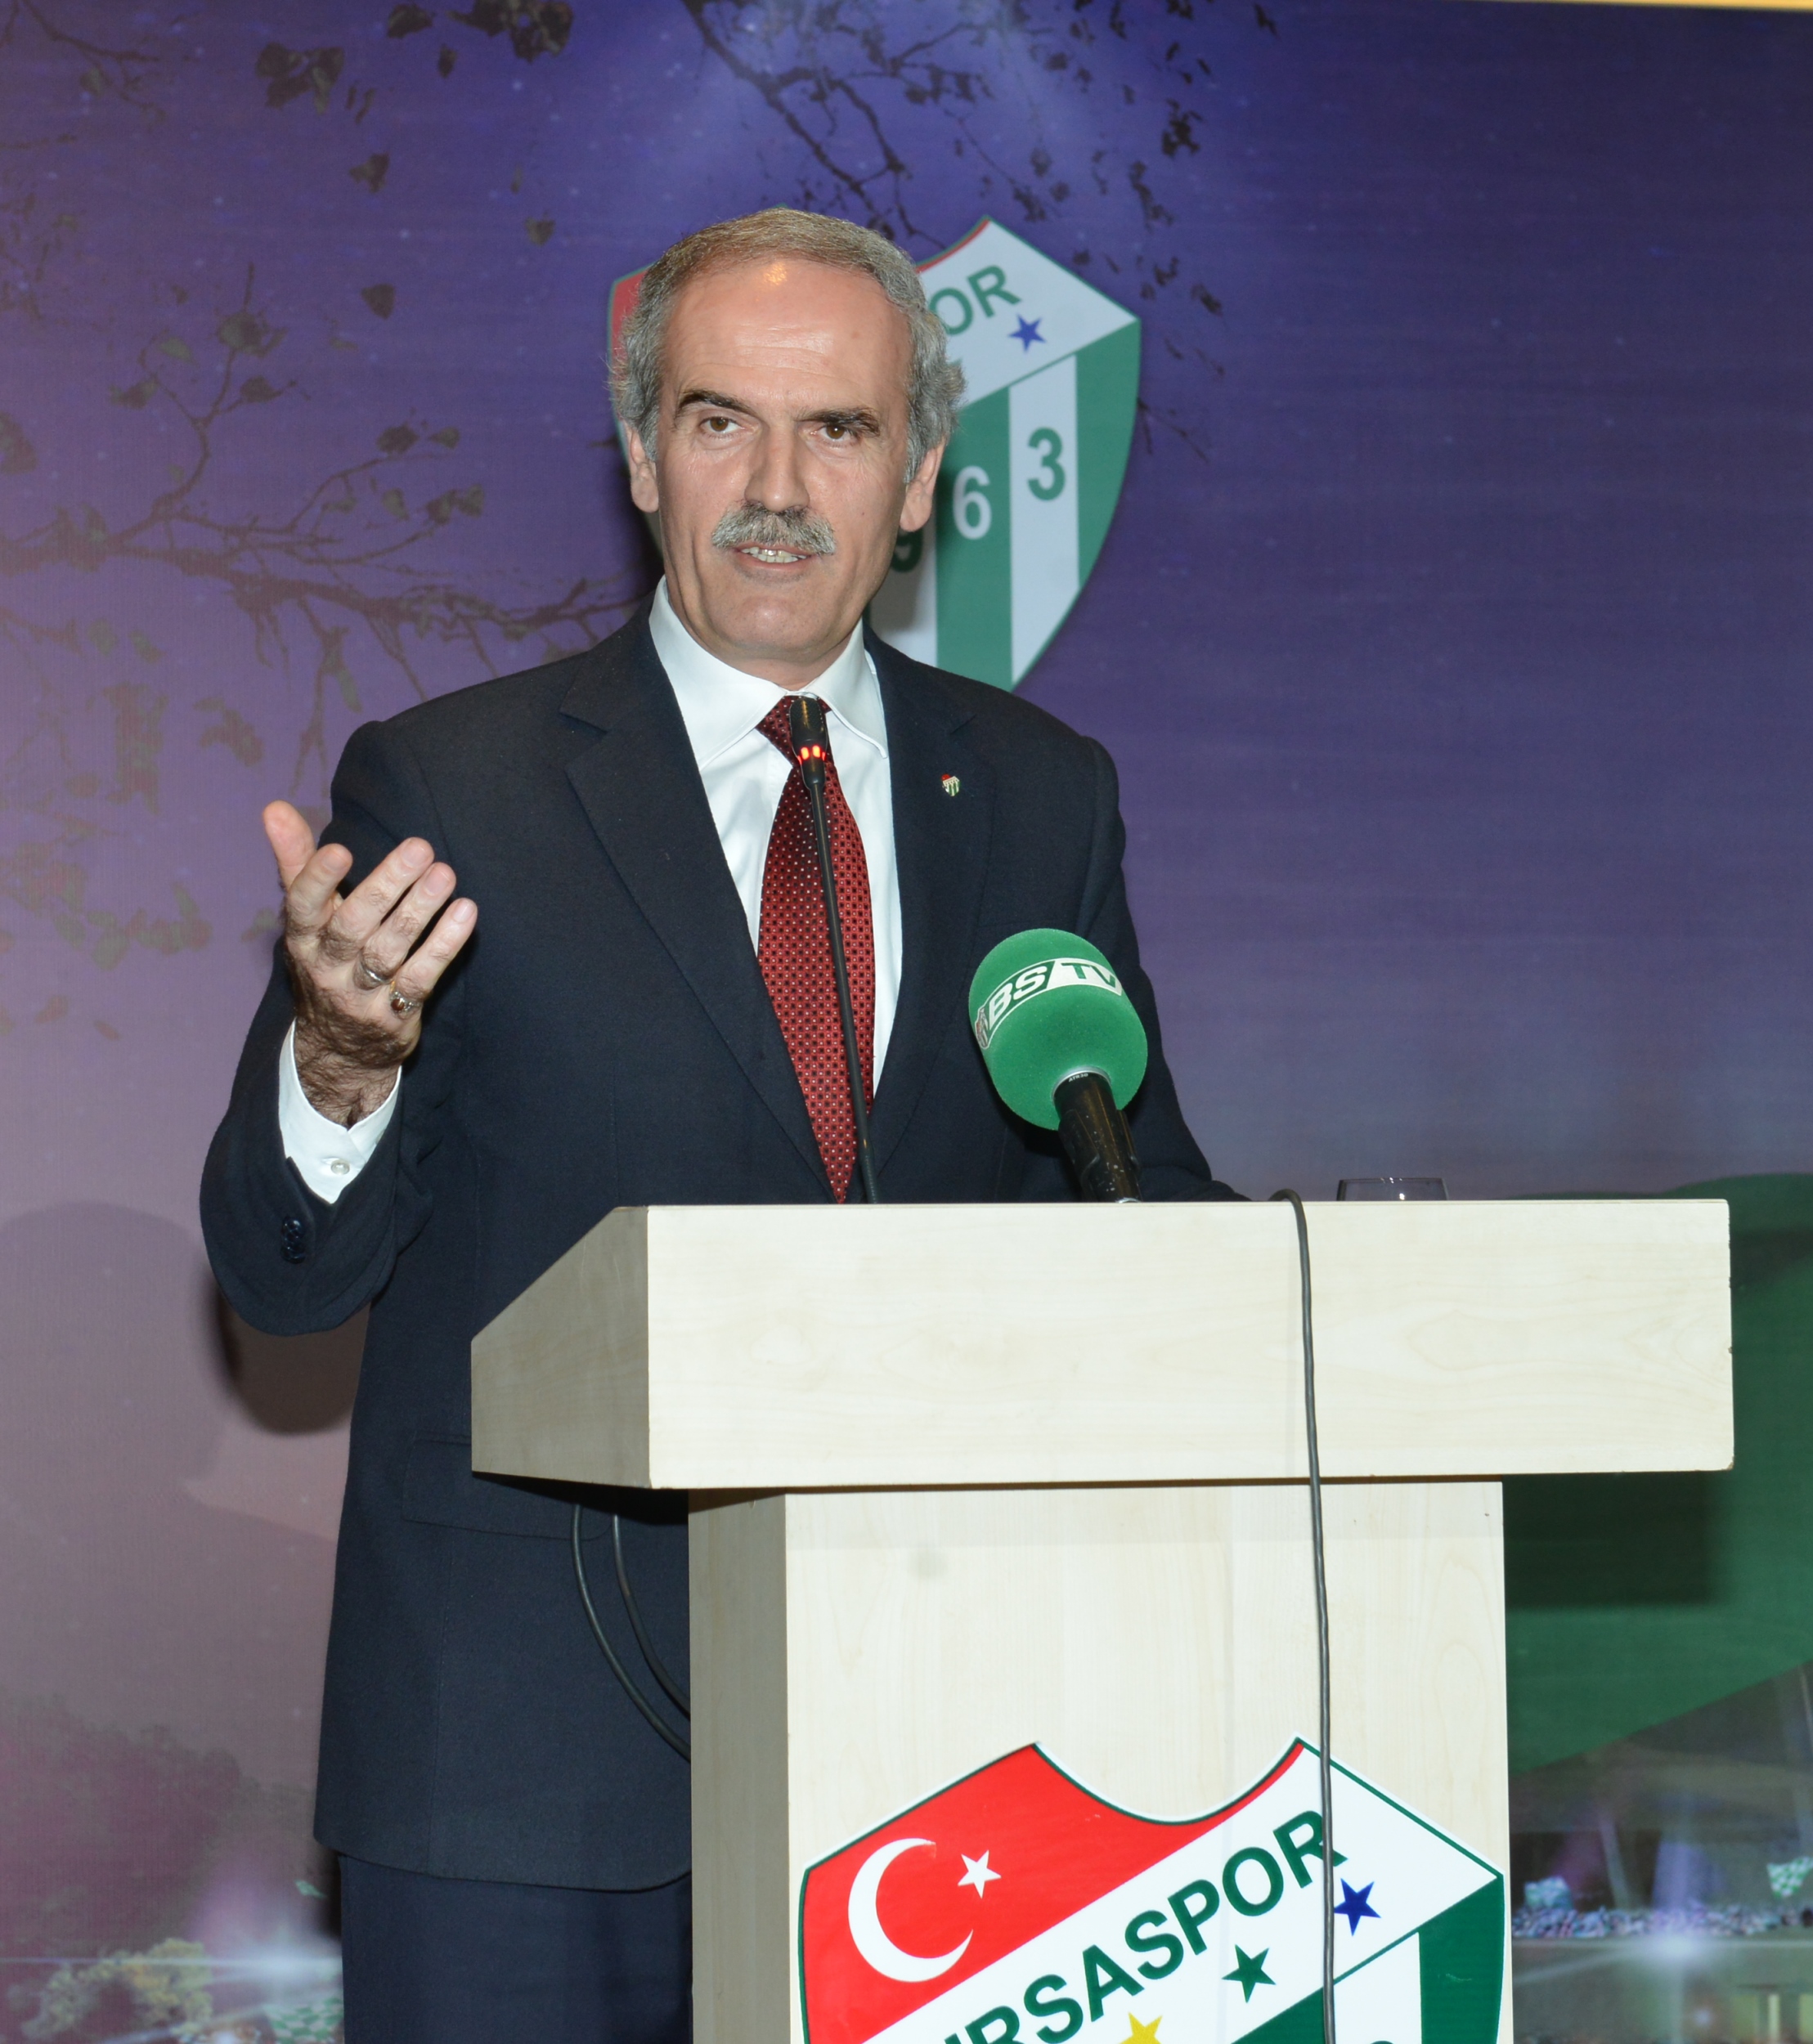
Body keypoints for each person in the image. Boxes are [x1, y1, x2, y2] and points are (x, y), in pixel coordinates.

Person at [201, 208, 1236, 2044]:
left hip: (940, 1754)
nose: (774, 488)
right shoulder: (453, 782)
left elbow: (1128, 1190)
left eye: (836, 429)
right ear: (638, 458)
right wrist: (343, 1060)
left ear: (916, 478)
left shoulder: (1037, 793)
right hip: (522, 1767)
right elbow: (285, 1283)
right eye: (716, 422)